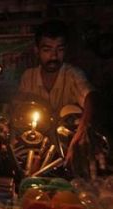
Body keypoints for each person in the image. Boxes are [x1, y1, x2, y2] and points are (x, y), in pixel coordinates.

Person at [17, 19, 99, 165]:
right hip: (35, 153)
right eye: (47, 50)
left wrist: (82, 131)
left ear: (65, 50)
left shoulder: (73, 74)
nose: (54, 57)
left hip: (68, 151)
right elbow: (19, 110)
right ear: (37, 50)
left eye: (59, 50)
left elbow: (90, 96)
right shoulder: (28, 77)